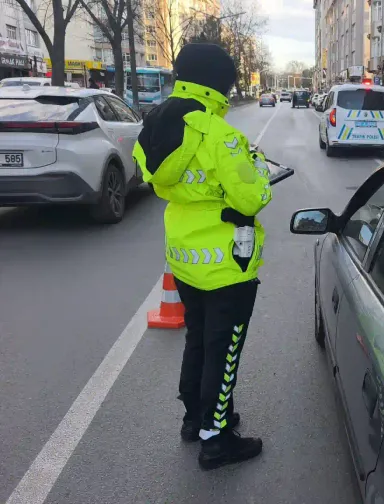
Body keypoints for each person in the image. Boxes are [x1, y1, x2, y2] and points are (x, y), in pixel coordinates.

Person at [132, 43, 272, 471]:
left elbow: (153, 179)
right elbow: (253, 195)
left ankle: (195, 418)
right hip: (228, 263)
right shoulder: (219, 135)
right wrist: (259, 166)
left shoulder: (155, 124)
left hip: (185, 256)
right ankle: (217, 439)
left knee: (198, 339)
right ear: (220, 83)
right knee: (223, 349)